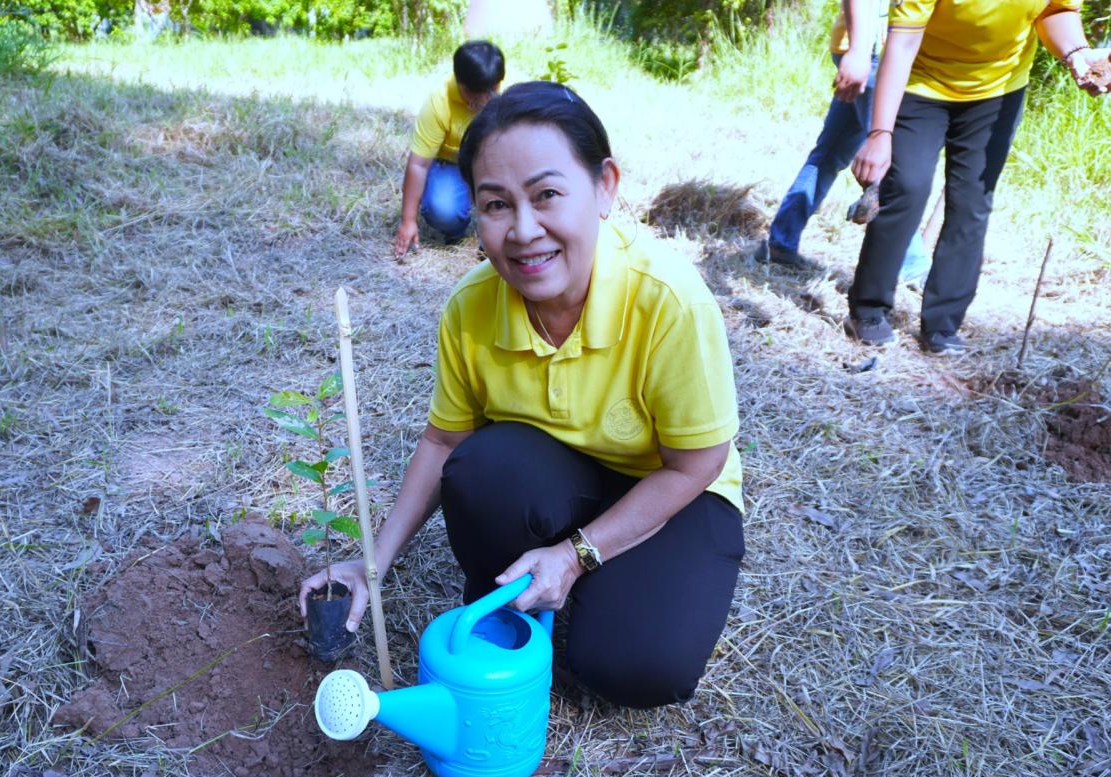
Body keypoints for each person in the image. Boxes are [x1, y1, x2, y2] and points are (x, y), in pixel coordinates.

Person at [307, 82, 745, 709]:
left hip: (675, 488)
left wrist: (576, 556)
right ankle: (533, 589)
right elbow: (444, 441)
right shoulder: (472, 307)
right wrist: (371, 565)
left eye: (547, 195)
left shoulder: (667, 299)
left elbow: (698, 462)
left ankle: (589, 581)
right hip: (558, 478)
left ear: (604, 187)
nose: (524, 231)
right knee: (485, 469)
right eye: (496, 205)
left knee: (634, 669)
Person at [848, 1, 1106, 353]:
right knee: (907, 187)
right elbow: (902, 42)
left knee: (972, 200)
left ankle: (942, 325)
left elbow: (1054, 10)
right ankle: (868, 309)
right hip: (921, 83)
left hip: (999, 90)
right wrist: (880, 134)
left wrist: (1076, 54)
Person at [756, 0, 931, 283]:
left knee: (829, 154)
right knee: (889, 163)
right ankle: (911, 266)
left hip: (864, 48)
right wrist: (860, 52)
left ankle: (781, 242)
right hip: (873, 52)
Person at [392, 41, 505, 258]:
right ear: (458, 81)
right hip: (452, 164)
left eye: (490, 91)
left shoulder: (509, 94)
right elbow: (418, 164)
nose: (483, 100)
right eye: (474, 93)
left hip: (496, 162)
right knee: (443, 210)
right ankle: (456, 229)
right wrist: (408, 221)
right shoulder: (439, 102)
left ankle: (496, 236)